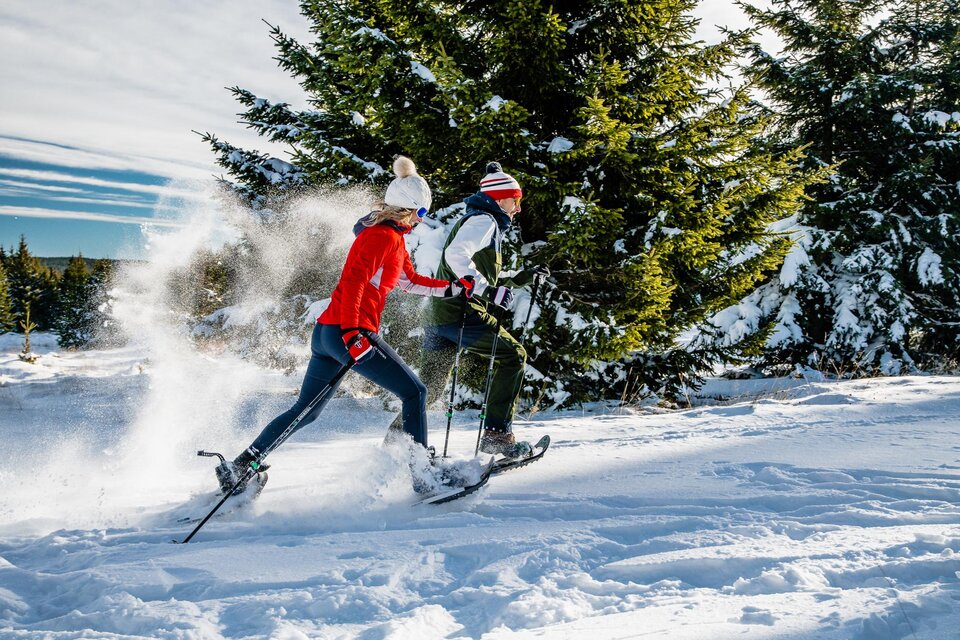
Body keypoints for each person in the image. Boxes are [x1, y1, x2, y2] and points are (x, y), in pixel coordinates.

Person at [216, 156, 472, 495]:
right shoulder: (382, 237)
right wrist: (353, 333)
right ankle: (423, 476)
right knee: (416, 392)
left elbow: (409, 281)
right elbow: (353, 282)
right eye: (422, 213)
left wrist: (453, 288)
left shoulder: (391, 239)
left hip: (327, 333)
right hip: (347, 332)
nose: (421, 221)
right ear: (410, 209)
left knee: (305, 412)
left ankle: (241, 466)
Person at [394, 162, 545, 457]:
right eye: (516, 200)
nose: (518, 208)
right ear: (500, 199)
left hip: (440, 316)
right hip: (463, 313)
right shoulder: (484, 221)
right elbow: (455, 256)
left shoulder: (479, 220)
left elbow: (478, 271)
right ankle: (496, 437)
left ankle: (396, 444)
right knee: (514, 356)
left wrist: (520, 279)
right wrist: (488, 291)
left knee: (429, 390)